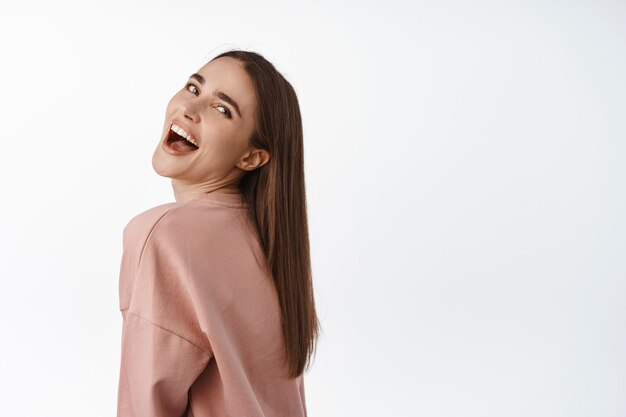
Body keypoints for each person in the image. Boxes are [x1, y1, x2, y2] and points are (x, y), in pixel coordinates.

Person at [116, 49, 320, 417]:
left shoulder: (164, 236)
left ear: (252, 157)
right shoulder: (269, 244)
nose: (189, 110)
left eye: (222, 109)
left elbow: (146, 406)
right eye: (193, 88)